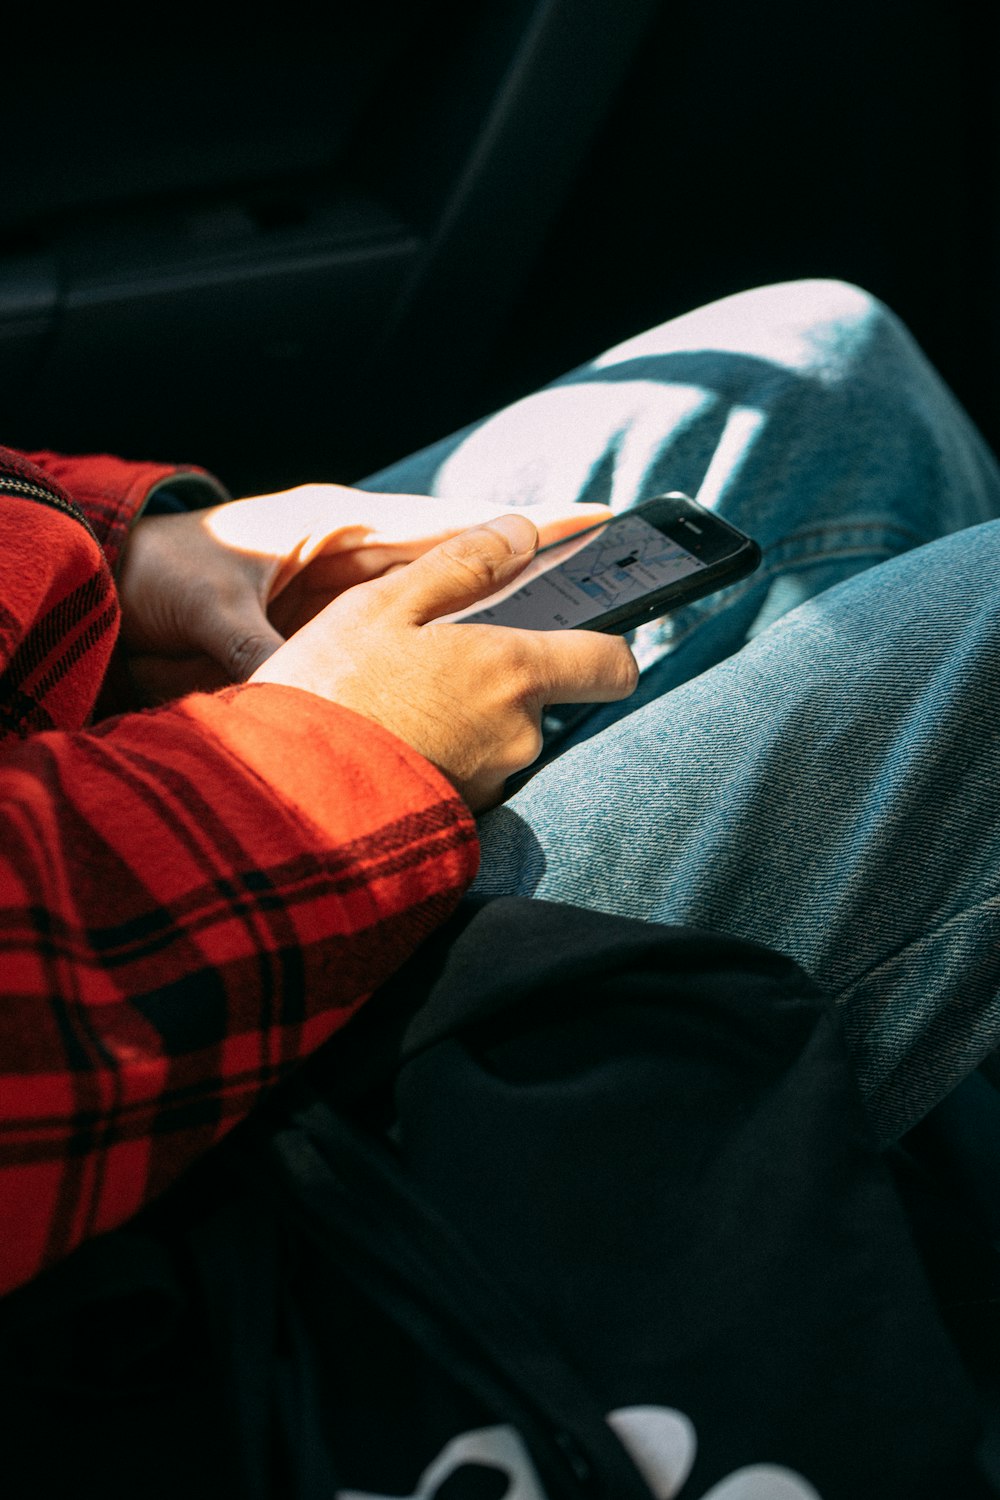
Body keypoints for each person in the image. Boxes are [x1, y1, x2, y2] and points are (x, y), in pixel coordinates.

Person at [3, 276, 1000, 1302]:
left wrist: (100, 540)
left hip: (110, 791)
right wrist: (328, 753)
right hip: (145, 1108)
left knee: (833, 379)